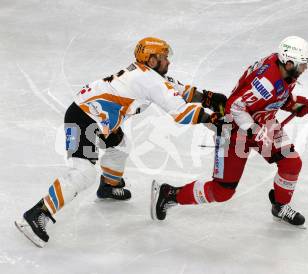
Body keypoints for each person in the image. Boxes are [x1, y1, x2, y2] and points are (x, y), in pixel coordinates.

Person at [15, 37, 225, 247]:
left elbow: (177, 89)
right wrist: (211, 119)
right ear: (151, 61)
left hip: (97, 116)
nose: (168, 62)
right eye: (163, 58)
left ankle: (109, 186)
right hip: (85, 118)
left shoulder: (147, 74)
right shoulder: (149, 80)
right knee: (83, 173)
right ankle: (37, 213)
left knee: (120, 146)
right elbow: (180, 112)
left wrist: (208, 97)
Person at [151, 36, 308, 227]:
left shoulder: (283, 69)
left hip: (262, 122)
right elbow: (234, 107)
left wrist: (292, 104)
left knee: (291, 163)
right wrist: (254, 130)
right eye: (302, 64)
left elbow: (276, 93)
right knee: (222, 191)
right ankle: (169, 194)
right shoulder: (266, 83)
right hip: (234, 130)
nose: (305, 68)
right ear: (288, 62)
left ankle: (280, 206)